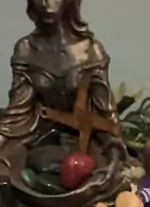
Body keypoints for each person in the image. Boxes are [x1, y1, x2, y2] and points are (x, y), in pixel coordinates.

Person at [0, 0, 126, 191]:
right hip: (39, 137)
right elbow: (17, 113)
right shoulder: (26, 48)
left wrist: (114, 158)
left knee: (105, 176)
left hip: (86, 139)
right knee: (11, 169)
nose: (46, 3)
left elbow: (107, 117)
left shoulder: (91, 51)